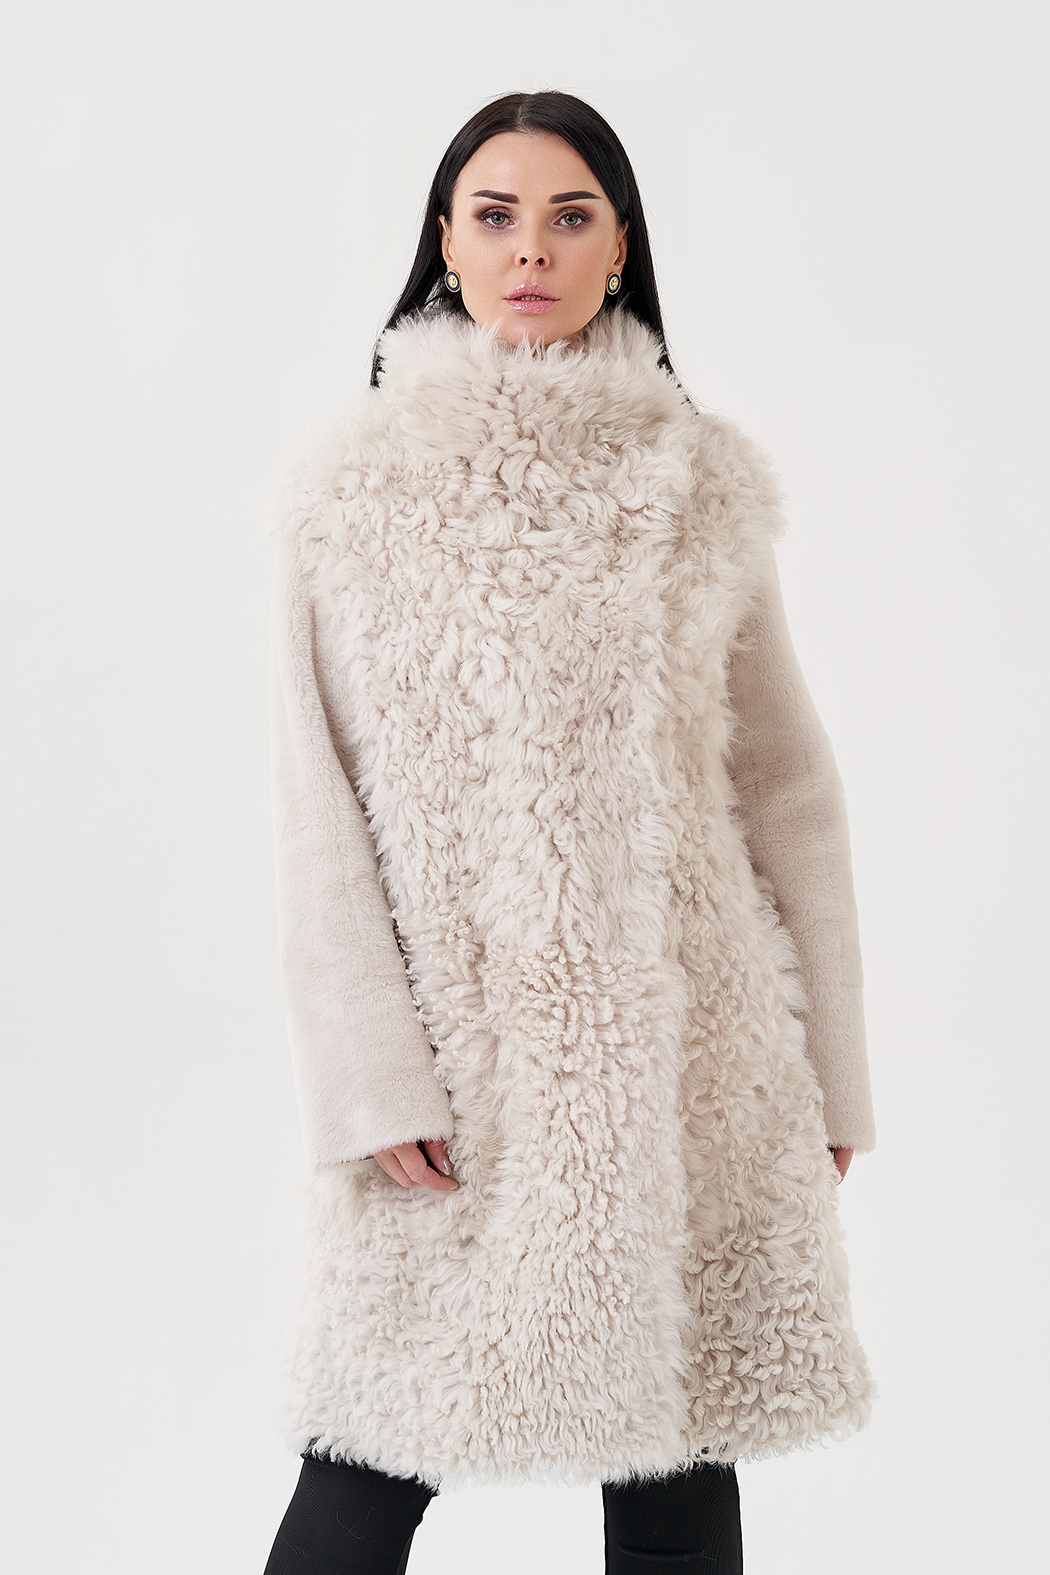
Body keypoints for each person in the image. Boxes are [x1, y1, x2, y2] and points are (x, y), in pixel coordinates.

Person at [262, 90, 877, 1575]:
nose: (529, 249)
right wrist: (369, 1076)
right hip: (457, 1067)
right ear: (446, 244)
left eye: (569, 216)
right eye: (495, 215)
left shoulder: (698, 482)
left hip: (691, 1060)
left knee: (679, 1457)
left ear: (619, 248)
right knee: (368, 1459)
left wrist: (832, 1078)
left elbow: (787, 787)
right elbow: (313, 809)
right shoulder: (352, 490)